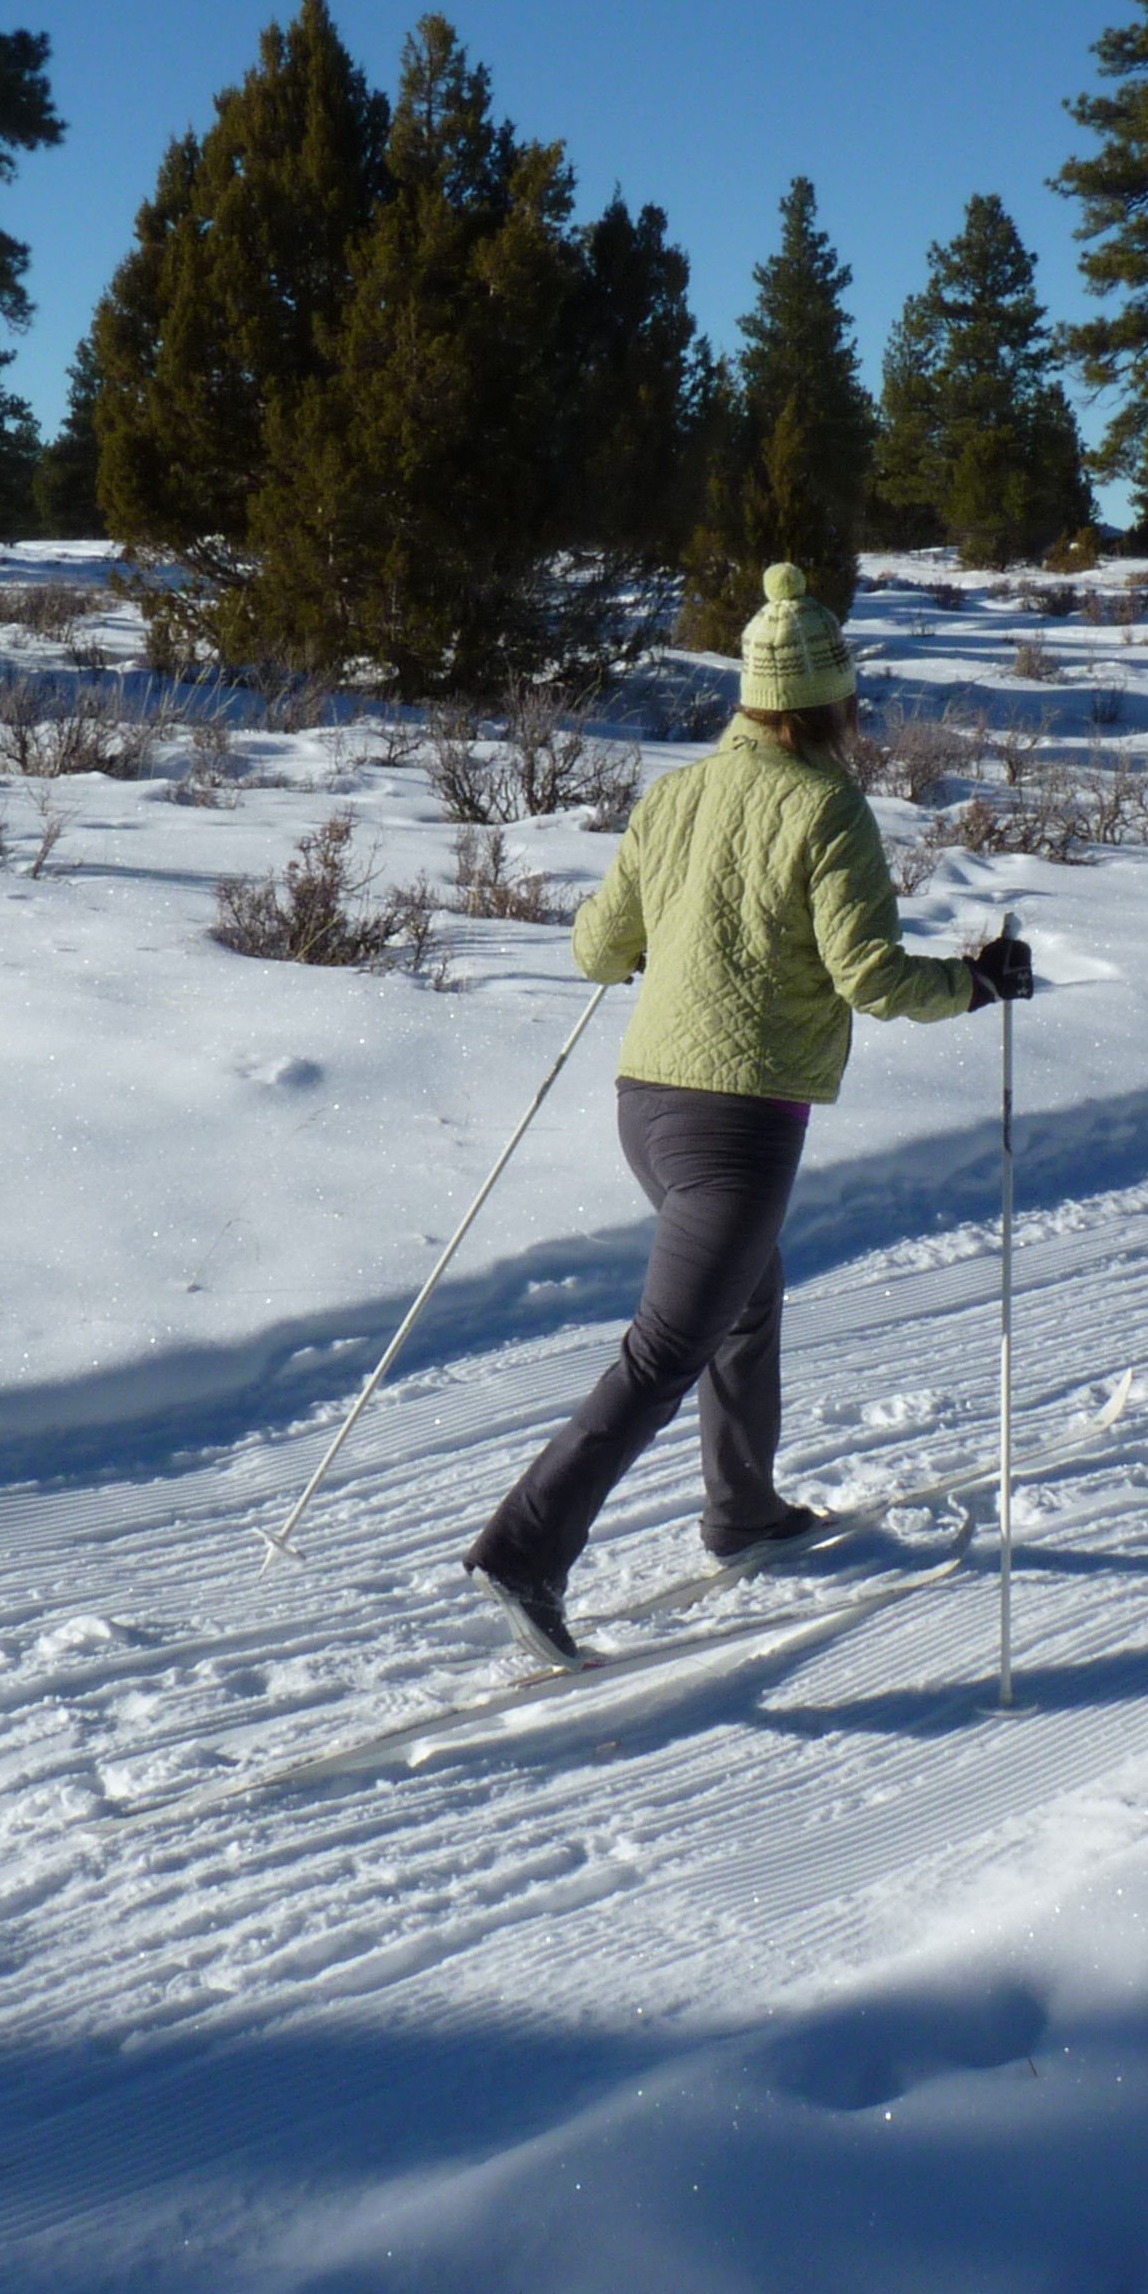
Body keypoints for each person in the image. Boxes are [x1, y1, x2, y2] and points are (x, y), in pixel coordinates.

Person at [463, 563, 1034, 1665]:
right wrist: (976, 983)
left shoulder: (673, 795)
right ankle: (523, 1550)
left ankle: (743, 1510)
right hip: (740, 1121)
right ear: (829, 700)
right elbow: (866, 975)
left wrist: (658, 937)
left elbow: (595, 950)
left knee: (744, 1306)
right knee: (667, 1347)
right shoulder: (828, 807)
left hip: (648, 1104)